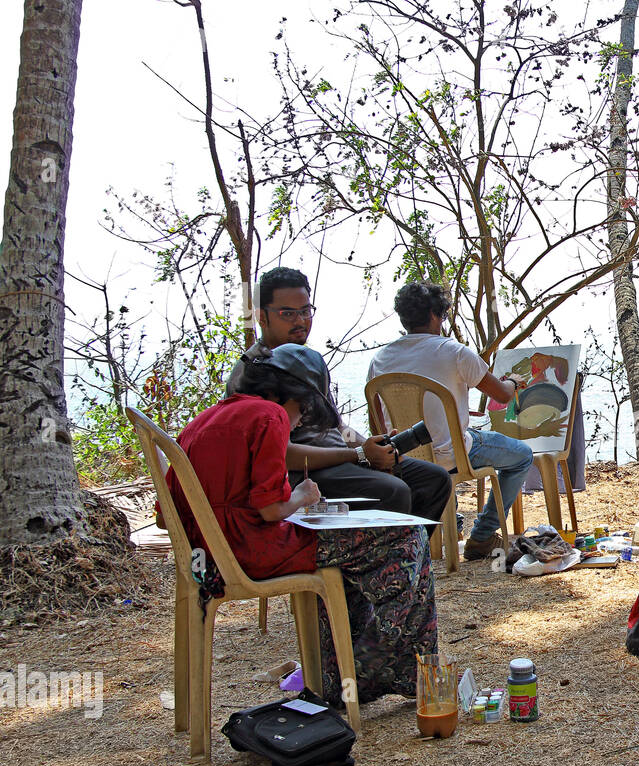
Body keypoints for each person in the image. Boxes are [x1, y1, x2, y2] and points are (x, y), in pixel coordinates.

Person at [171, 344, 440, 705]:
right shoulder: (270, 416)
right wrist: (302, 495)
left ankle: (337, 677)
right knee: (408, 535)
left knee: (350, 557)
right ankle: (377, 667)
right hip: (253, 552)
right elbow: (270, 510)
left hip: (208, 559)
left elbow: (165, 513)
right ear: (289, 397)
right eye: (301, 413)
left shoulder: (201, 421)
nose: (297, 423)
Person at [227, 267, 453, 525]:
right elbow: (278, 454)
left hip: (340, 462)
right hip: (303, 474)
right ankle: (383, 561)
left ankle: (409, 559)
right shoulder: (254, 372)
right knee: (392, 490)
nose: (300, 321)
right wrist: (358, 455)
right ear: (262, 317)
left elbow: (337, 427)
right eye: (287, 313)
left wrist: (374, 447)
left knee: (433, 479)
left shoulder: (305, 362)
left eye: (305, 311)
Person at [366, 281, 534, 561]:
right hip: (450, 455)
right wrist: (514, 382)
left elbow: (377, 424)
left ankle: (452, 525)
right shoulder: (455, 352)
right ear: (435, 314)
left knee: (460, 439)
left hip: (404, 460)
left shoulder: (380, 359)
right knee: (522, 456)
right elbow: (502, 395)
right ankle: (482, 535)